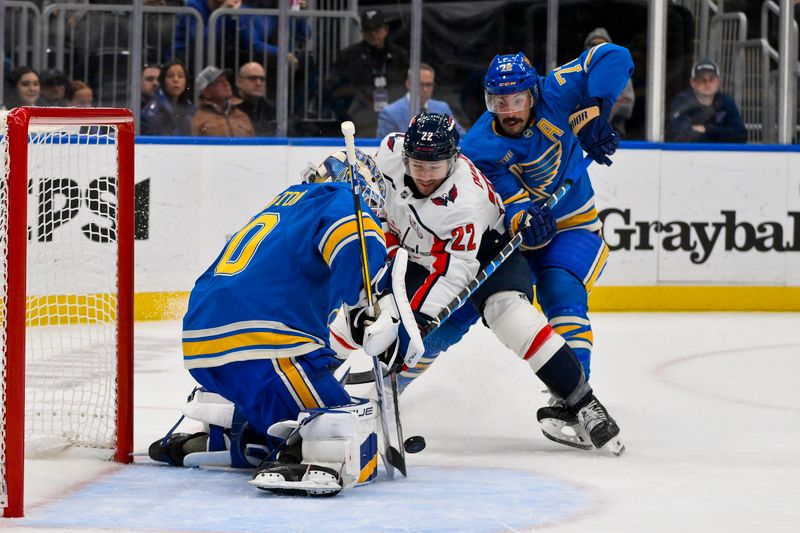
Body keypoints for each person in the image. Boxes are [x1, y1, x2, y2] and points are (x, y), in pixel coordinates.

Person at [331, 113, 624, 455]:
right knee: (365, 311)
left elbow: (452, 275)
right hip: (415, 254)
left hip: (484, 255)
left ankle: (583, 403)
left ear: (453, 159)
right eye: (417, 164)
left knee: (511, 316)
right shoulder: (390, 150)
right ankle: (314, 372)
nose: (424, 175)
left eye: (435, 167)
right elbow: (367, 191)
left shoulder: (465, 202)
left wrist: (419, 318)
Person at [149, 150, 422, 497]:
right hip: (266, 343)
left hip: (204, 340)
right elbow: (358, 243)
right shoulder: (341, 199)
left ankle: (233, 439)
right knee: (340, 420)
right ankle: (305, 454)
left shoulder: (284, 203)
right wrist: (368, 302)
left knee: (281, 405)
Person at [325, 9, 409, 137]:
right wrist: (345, 115)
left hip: (394, 116)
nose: (373, 34)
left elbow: (408, 87)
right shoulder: (349, 56)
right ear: (362, 32)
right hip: (359, 119)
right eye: (368, 30)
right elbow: (334, 88)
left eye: (377, 29)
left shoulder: (400, 55)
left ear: (385, 30)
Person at [376, 63, 466, 139]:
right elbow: (384, 147)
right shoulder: (390, 113)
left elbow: (460, 137)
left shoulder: (442, 108)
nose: (425, 90)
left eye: (429, 85)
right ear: (408, 84)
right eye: (420, 84)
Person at [667, 59, 747, 143]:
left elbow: (741, 135)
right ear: (692, 83)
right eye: (701, 79)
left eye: (711, 79)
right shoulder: (682, 102)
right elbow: (680, 136)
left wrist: (707, 129)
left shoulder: (726, 101)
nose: (707, 84)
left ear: (718, 82)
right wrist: (722, 135)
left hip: (720, 154)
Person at [583, 28, 635, 137]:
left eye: (601, 45)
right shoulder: (578, 71)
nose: (596, 49)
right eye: (593, 45)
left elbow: (627, 104)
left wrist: (601, 116)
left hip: (612, 132)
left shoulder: (619, 73)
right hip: (580, 133)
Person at [191, 66, 255, 137]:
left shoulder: (242, 116)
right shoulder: (197, 119)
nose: (226, 84)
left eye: (226, 80)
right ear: (206, 91)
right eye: (219, 82)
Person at [141, 60, 196, 136]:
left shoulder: (192, 109)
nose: (176, 80)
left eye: (181, 76)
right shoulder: (152, 112)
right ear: (163, 81)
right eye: (170, 76)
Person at [235, 61, 276, 136]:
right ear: (239, 82)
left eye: (262, 79)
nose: (258, 83)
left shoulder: (272, 109)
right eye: (252, 78)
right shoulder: (228, 108)